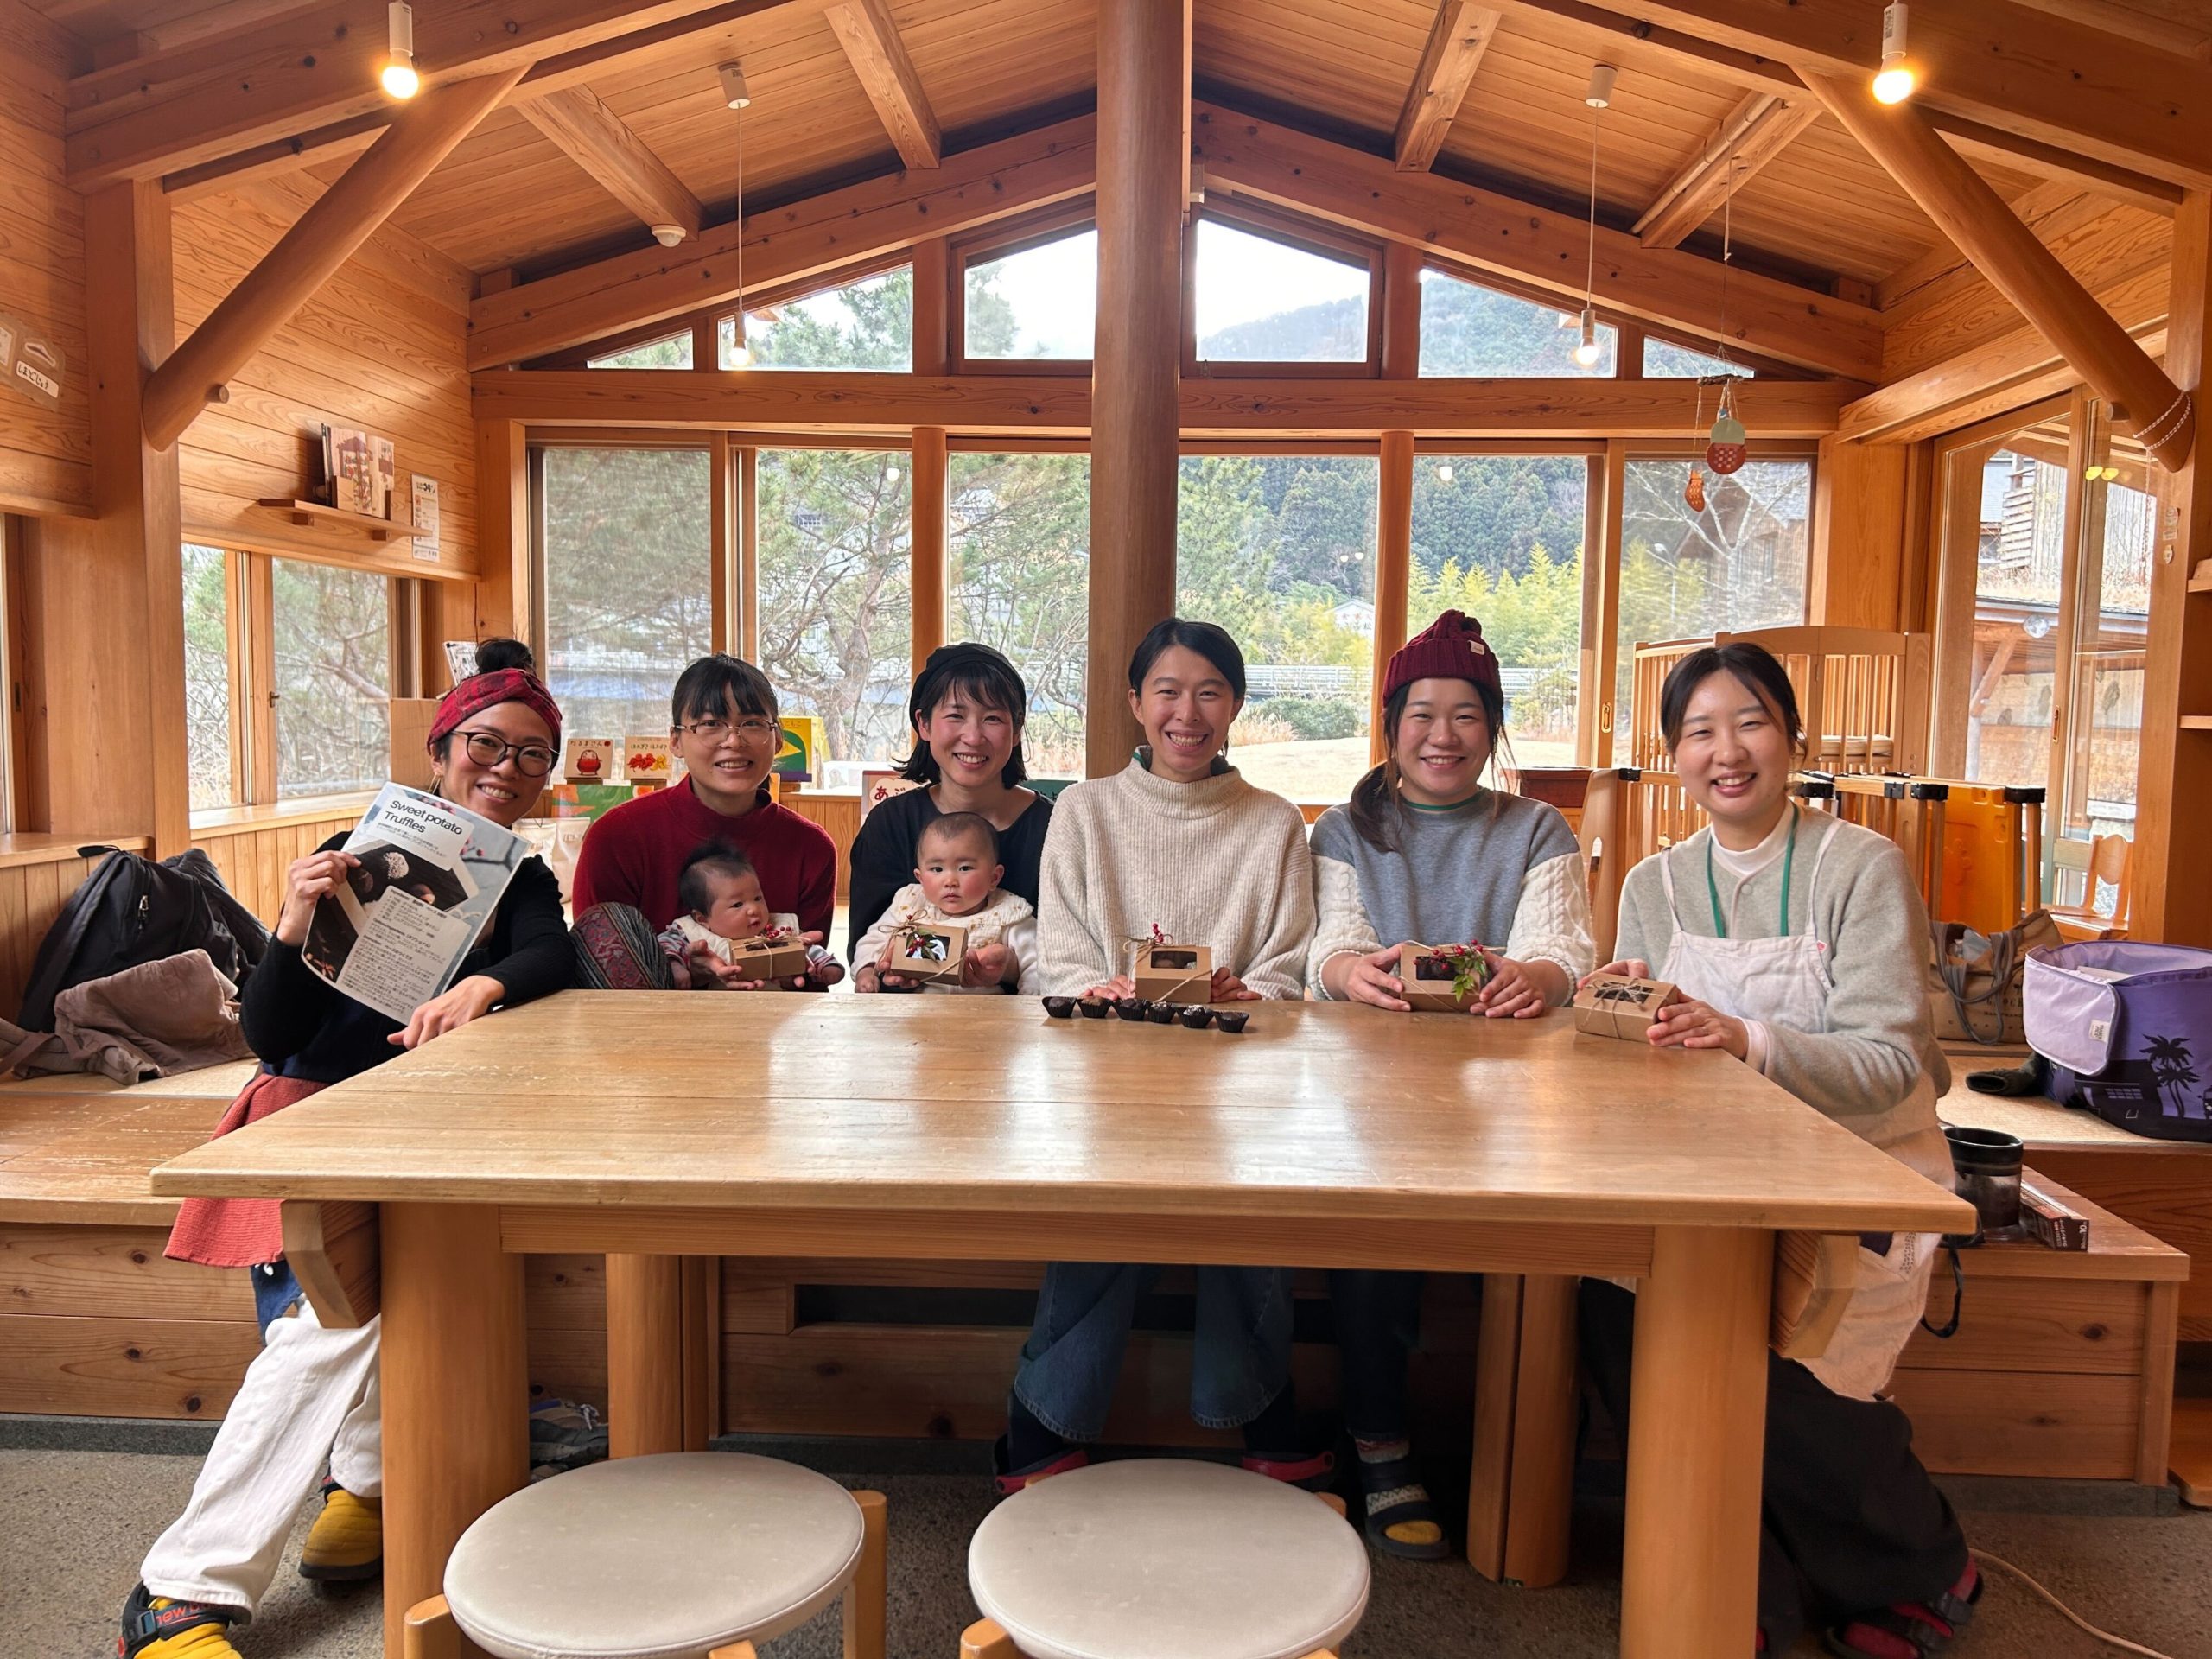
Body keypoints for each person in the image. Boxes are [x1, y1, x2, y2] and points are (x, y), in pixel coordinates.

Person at [122, 662, 573, 1659]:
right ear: (439, 752)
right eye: (486, 744)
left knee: (398, 1302)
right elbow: (271, 1033)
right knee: (328, 1325)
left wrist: (486, 984)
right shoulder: (347, 855)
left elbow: (554, 956)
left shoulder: (521, 877)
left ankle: (362, 1488)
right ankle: (178, 1589)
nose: (506, 767)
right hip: (317, 1117)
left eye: (531, 754)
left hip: (427, 1128)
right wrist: (290, 928)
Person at [1582, 640, 1979, 1658]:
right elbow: (1639, 1050)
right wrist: (1617, 1014)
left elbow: (1891, 1061)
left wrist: (1742, 1037)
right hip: (1706, 1172)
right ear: (1673, 756)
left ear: (1792, 738)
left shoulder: (1861, 866)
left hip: (1861, 1169)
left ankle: (1920, 1564)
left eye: (1749, 722)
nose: (1726, 751)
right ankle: (1738, 1591)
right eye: (1698, 732)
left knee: (1795, 1369)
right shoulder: (1654, 883)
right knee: (1616, 1310)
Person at [1000, 619, 1324, 1491]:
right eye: (1169, 692)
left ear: (1236, 706)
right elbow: (1062, 957)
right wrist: (1100, 986)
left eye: (1210, 692)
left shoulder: (1274, 821)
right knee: (1098, 1200)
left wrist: (1250, 990)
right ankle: (1044, 1417)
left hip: (1239, 1072)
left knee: (1252, 1198)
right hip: (1106, 1067)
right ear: (1135, 703)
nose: (1188, 713)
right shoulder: (1085, 809)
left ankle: (1257, 1402)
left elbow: (1287, 965)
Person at [1305, 608, 1595, 1560]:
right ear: (1392, 727)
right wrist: (1349, 973)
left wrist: (1538, 978)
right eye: (1422, 714)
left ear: (1493, 727)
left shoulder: (1536, 827)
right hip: (1373, 1093)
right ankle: (1379, 1440)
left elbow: (1563, 950)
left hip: (1507, 1093)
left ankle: (1526, 1452)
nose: (1443, 735)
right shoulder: (1345, 829)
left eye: (1466, 715)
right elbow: (1328, 947)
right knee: (1372, 1230)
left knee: (1548, 1233)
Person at [569, 654, 836, 989]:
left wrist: (792, 969)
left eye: (753, 723)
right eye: (711, 724)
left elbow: (810, 982)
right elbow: (596, 969)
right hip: (647, 1020)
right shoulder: (617, 836)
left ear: (778, 738)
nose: (734, 741)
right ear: (675, 740)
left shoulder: (810, 847)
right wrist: (678, 973)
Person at [847, 643, 1052, 991]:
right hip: (906, 1019)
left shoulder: (1053, 826)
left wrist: (1008, 967)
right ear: (924, 724)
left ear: (1017, 730)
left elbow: (1069, 955)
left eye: (992, 718)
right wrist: (887, 970)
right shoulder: (890, 824)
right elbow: (868, 950)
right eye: (956, 716)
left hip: (1017, 1020)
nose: (973, 737)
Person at [851, 812, 1039, 995]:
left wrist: (1030, 997)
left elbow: (1037, 961)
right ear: (920, 878)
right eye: (937, 869)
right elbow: (873, 941)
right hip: (921, 1008)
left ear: (994, 877)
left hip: (987, 1009)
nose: (950, 881)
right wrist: (866, 971)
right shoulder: (911, 905)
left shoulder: (1008, 912)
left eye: (965, 868)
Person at [656, 844, 844, 989]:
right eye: (737, 905)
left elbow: (806, 949)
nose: (754, 909)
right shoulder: (692, 932)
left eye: (758, 898)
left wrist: (825, 965)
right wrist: (676, 967)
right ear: (702, 919)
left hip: (775, 1011)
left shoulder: (778, 928)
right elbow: (665, 946)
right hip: (713, 1013)